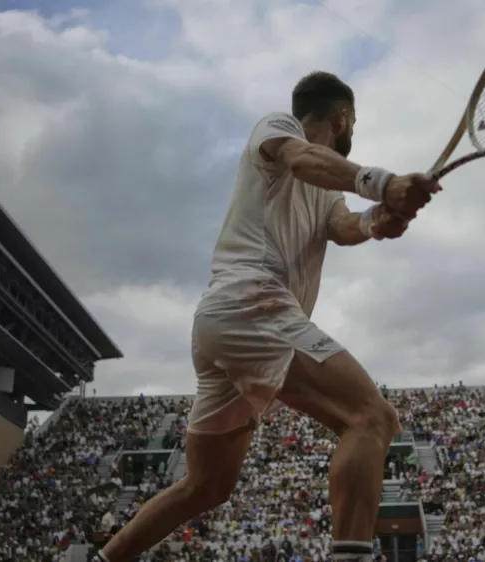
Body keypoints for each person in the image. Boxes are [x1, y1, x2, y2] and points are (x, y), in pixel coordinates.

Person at [96, 71, 441, 562]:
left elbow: (341, 226)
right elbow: (302, 159)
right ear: (342, 117)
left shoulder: (325, 183)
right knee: (370, 417)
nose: (351, 130)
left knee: (206, 486)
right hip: (251, 303)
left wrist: (377, 219)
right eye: (352, 122)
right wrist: (383, 184)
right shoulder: (280, 129)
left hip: (226, 322)